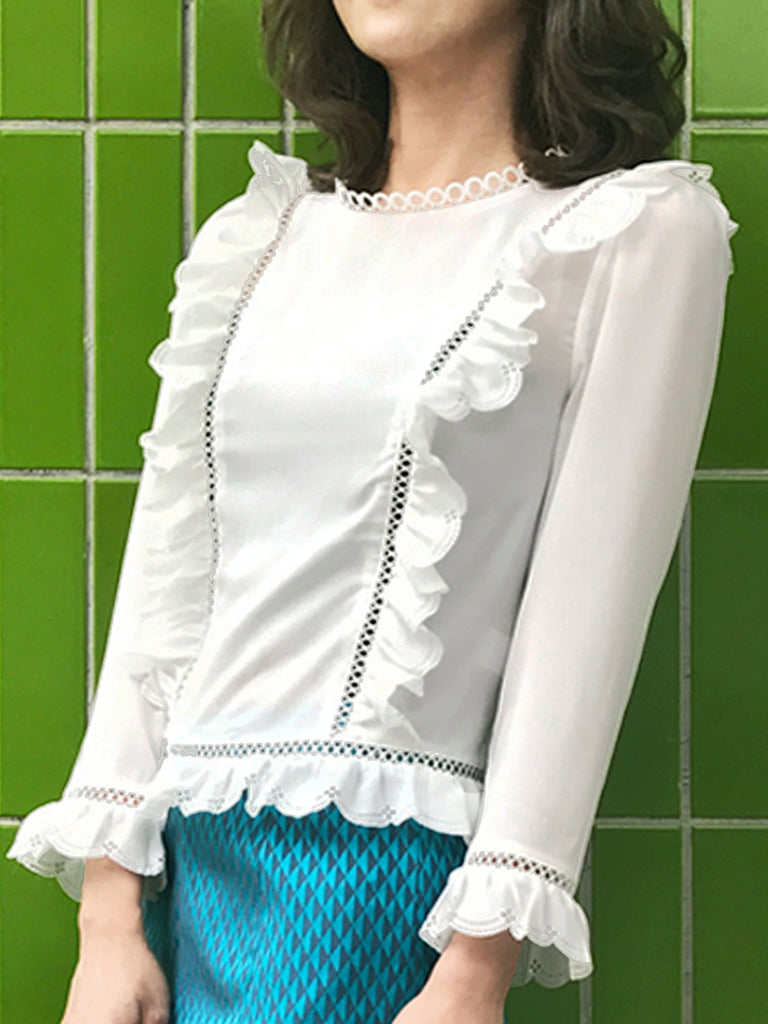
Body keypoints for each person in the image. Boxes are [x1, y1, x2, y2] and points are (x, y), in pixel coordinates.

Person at [7, 1, 739, 1022]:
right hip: (180, 859)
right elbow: (169, 574)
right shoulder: (263, 234)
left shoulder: (635, 230)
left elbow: (587, 617)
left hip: (378, 869)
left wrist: (477, 967)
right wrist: (108, 915)